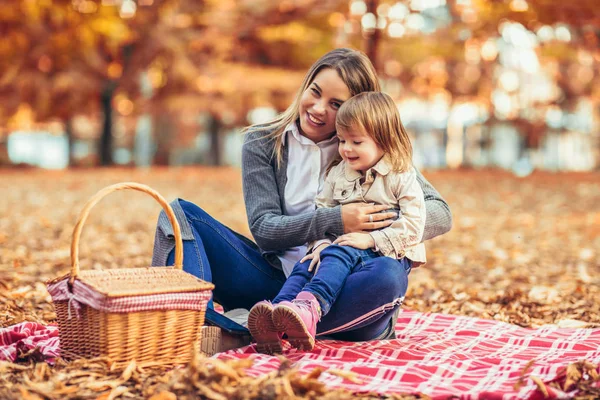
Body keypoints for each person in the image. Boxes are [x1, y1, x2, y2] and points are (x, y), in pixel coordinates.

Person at [151, 48, 452, 354]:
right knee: (179, 214)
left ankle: (241, 332)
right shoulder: (263, 142)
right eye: (315, 92)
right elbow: (264, 230)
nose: (319, 109)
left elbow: (440, 212)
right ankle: (189, 326)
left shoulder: (369, 148)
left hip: (343, 288)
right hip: (278, 281)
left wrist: (372, 230)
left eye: (336, 104)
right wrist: (339, 219)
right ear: (305, 85)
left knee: (388, 275)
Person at [248, 91, 427, 352]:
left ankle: (311, 306)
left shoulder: (401, 175)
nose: (346, 149)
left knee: (340, 253)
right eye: (342, 140)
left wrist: (370, 238)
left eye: (356, 141)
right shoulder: (338, 173)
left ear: (384, 141)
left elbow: (414, 224)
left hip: (381, 252)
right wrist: (319, 244)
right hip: (338, 248)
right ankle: (279, 312)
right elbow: (324, 209)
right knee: (309, 264)